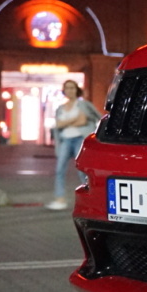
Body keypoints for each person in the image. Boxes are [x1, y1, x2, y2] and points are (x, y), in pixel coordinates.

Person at [47, 80, 100, 210]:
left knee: (82, 171)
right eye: (67, 88)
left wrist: (66, 122)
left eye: (72, 88)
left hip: (79, 139)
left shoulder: (83, 105)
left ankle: (90, 200)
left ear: (77, 90)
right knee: (59, 170)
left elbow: (83, 121)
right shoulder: (60, 108)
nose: (69, 90)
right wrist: (73, 120)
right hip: (65, 140)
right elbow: (58, 125)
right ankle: (60, 199)